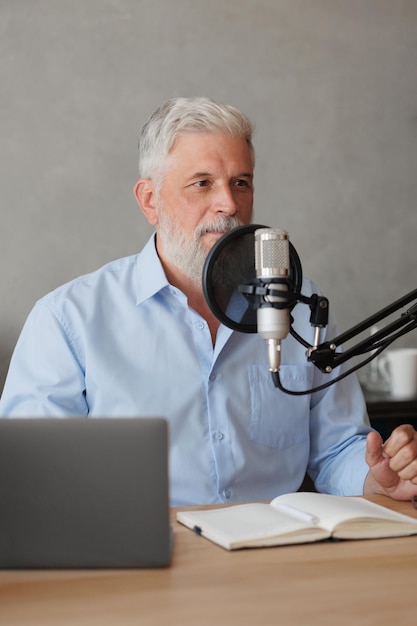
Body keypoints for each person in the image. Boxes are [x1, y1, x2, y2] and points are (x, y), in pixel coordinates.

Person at [1, 96, 417, 506]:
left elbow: (337, 448)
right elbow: (31, 479)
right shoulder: (67, 320)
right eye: (203, 183)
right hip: (141, 561)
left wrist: (376, 478)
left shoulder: (301, 307)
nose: (230, 204)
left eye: (241, 182)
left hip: (275, 559)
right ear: (150, 200)